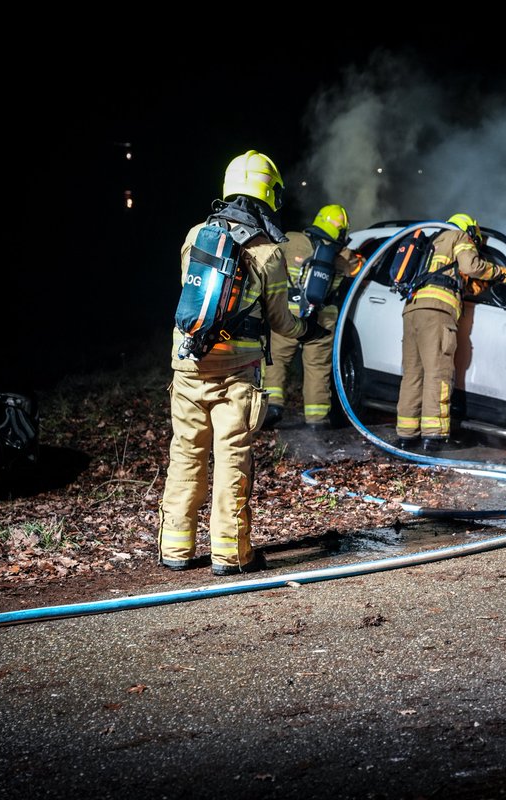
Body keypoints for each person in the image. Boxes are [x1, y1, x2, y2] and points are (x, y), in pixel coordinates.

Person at [158, 150, 310, 576]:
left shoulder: (195, 235)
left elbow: (193, 300)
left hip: (188, 365)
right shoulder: (268, 253)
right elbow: (281, 321)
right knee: (231, 458)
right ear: (268, 193)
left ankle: (175, 548)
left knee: (186, 454)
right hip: (236, 373)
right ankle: (230, 554)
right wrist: (305, 329)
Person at [395, 213, 506, 452]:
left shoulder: (433, 241)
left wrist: (474, 286)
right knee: (438, 374)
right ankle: (433, 437)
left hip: (412, 310)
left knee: (413, 375)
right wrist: (499, 273)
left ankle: (406, 435)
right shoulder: (459, 236)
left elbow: (453, 276)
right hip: (437, 314)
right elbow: (471, 266)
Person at [262, 204, 362, 431]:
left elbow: (269, 262)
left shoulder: (291, 240)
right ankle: (316, 420)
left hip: (289, 312)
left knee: (276, 360)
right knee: (318, 368)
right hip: (322, 318)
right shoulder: (343, 256)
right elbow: (358, 269)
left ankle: (273, 407)